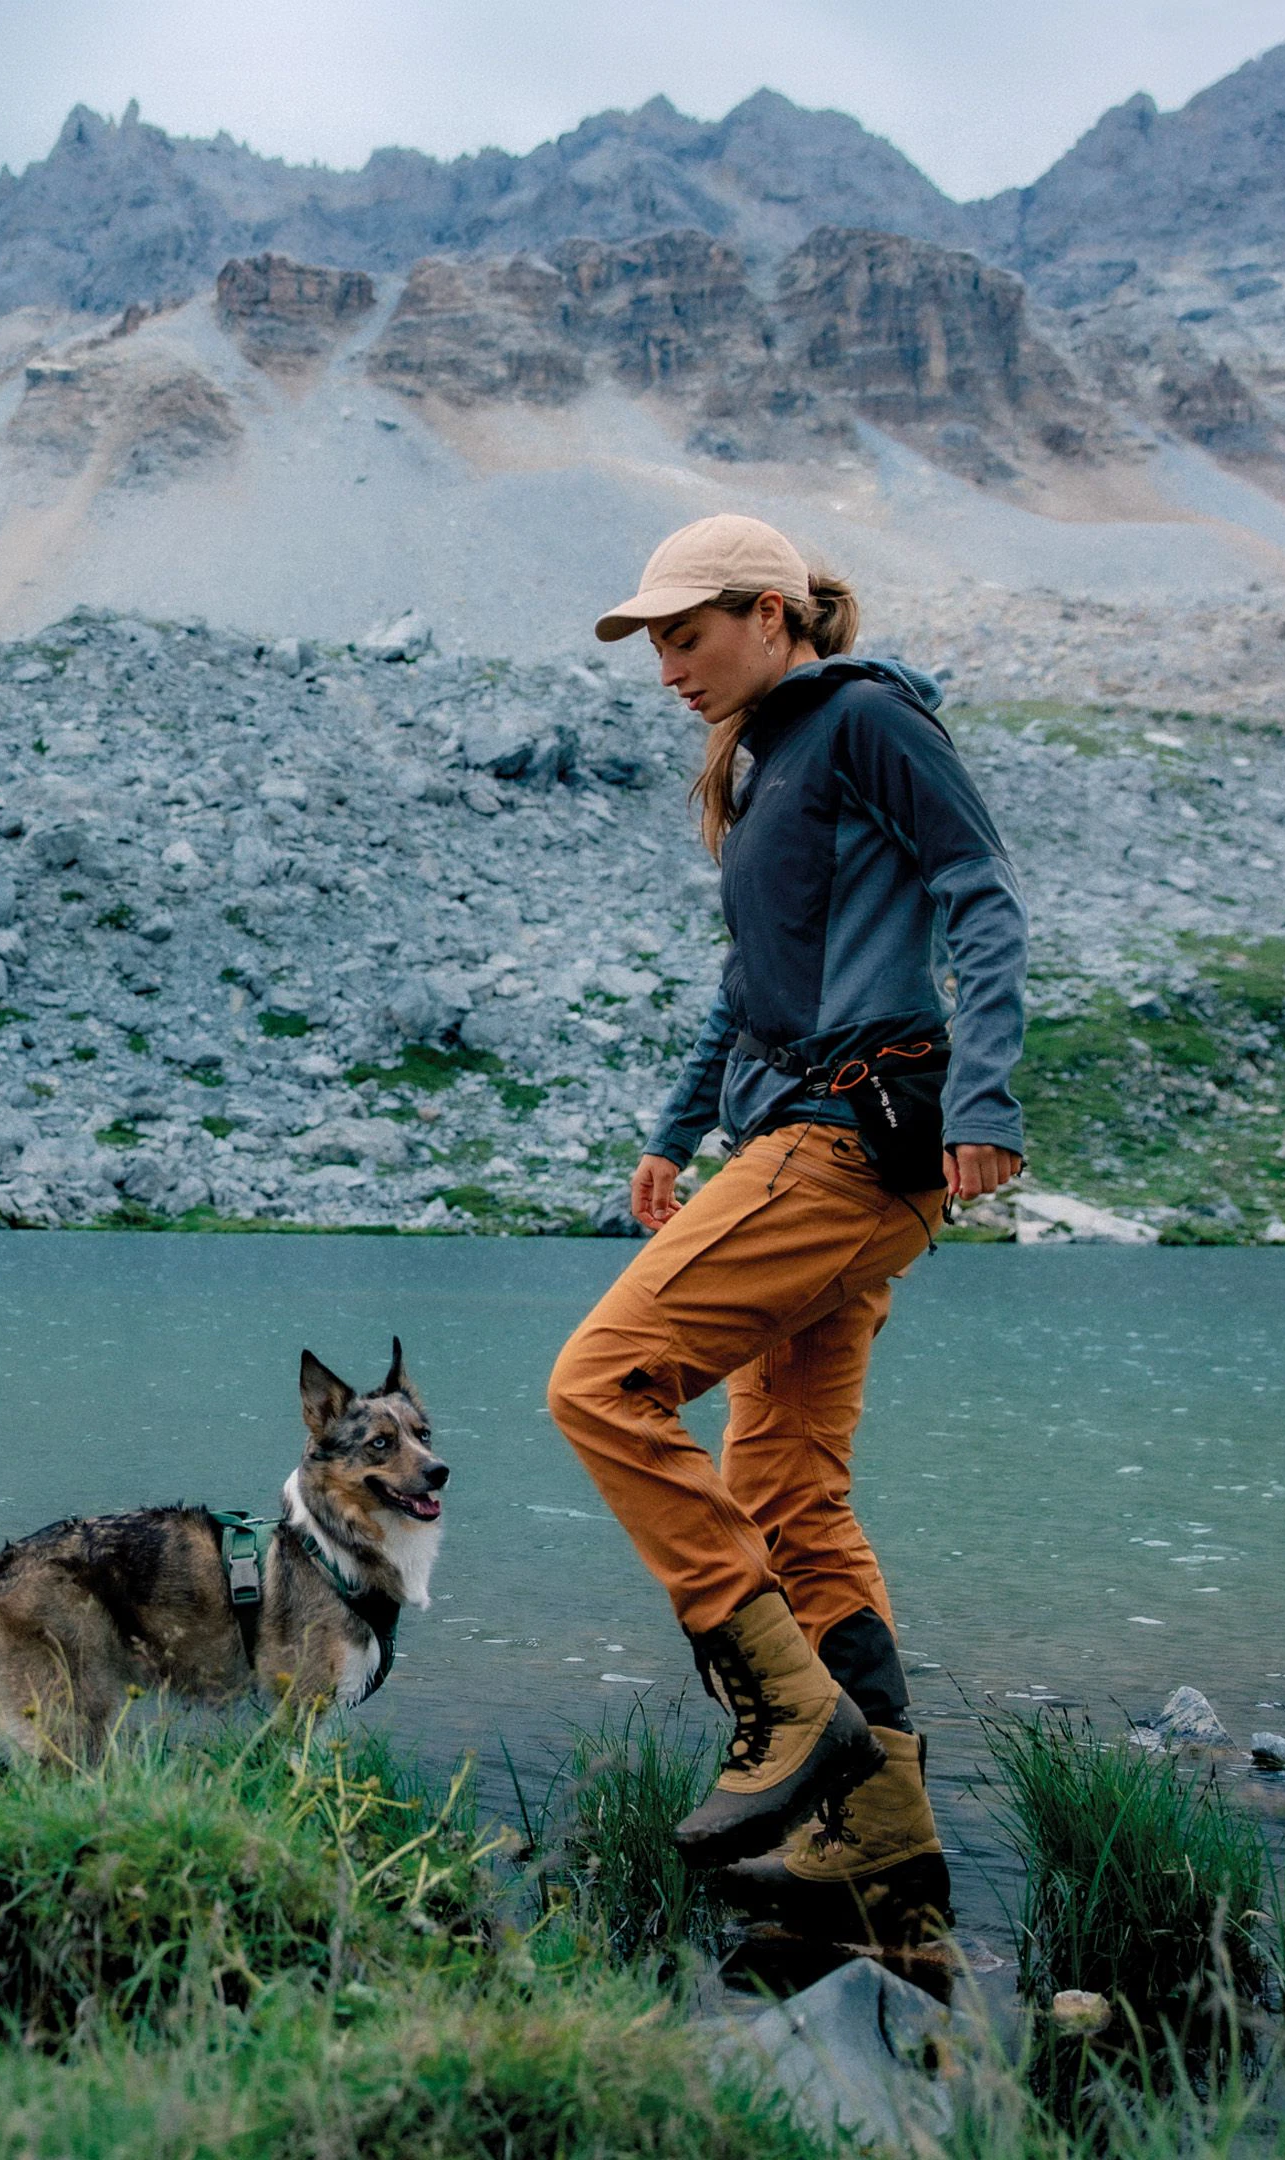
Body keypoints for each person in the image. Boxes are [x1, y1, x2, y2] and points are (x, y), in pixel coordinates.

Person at [546, 513, 1028, 1946]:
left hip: (852, 1131)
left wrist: (985, 1093)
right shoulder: (763, 767)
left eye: (685, 636)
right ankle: (882, 1847)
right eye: (652, 644)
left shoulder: (867, 718)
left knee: (600, 1383)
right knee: (789, 1497)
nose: (668, 668)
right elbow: (746, 984)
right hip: (804, 1139)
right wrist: (672, 1130)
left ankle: (787, 1714)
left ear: (774, 613)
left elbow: (981, 895)